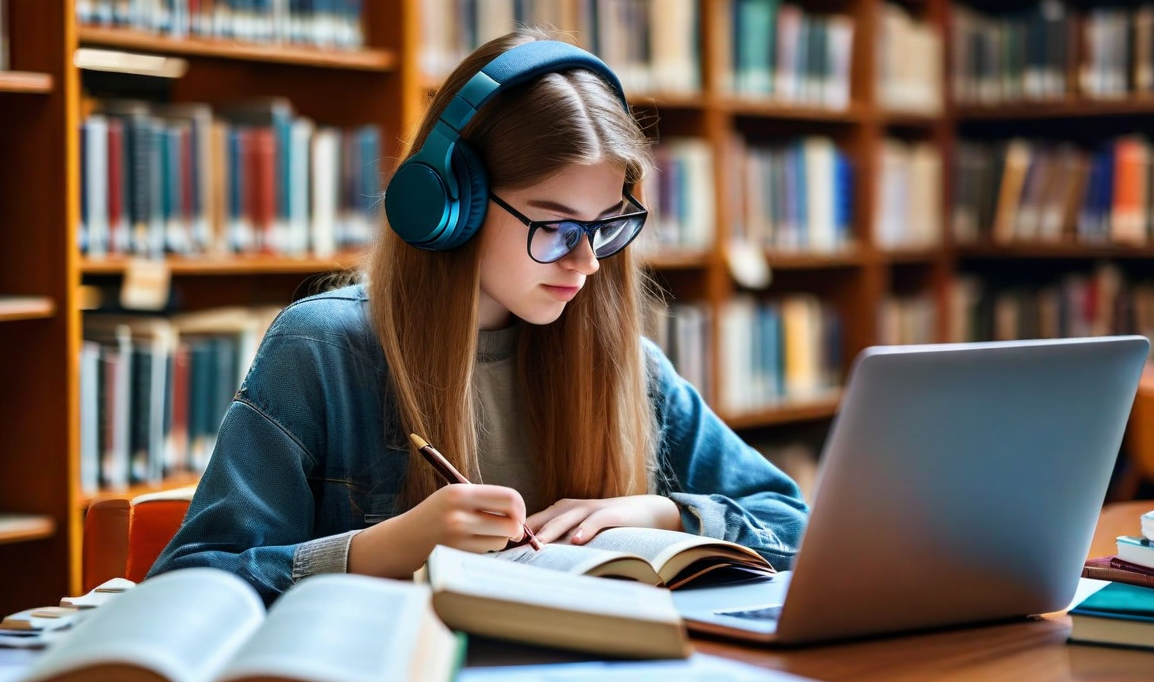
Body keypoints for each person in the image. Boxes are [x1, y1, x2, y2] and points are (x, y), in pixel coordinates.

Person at [149, 29, 808, 605]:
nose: (588, 263)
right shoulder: (321, 350)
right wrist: (377, 551)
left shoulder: (626, 365)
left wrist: (663, 513)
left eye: (608, 227)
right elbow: (187, 583)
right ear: (447, 205)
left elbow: (794, 522)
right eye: (553, 227)